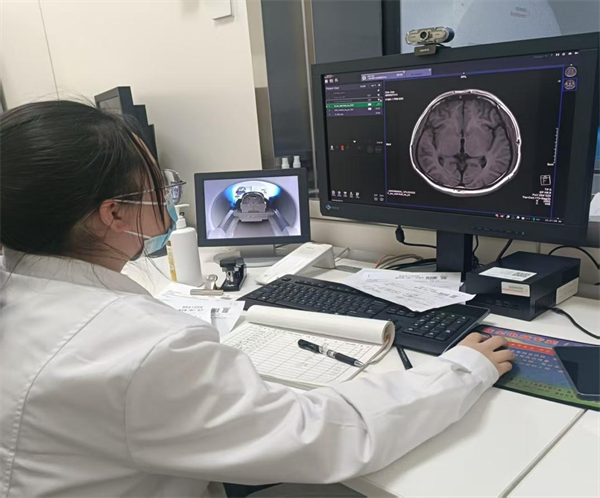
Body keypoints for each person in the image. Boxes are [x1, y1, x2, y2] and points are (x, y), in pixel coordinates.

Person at [0, 101, 514, 498]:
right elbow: (322, 436)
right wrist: (461, 370)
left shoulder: (19, 294)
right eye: (160, 185)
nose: (168, 197)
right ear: (113, 214)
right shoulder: (138, 350)